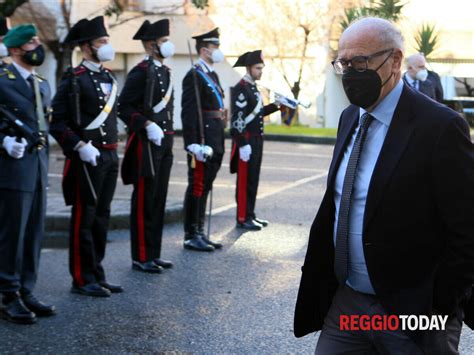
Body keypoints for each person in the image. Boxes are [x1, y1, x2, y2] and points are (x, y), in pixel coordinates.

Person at [294, 17, 473, 354]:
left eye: (360, 61)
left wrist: (439, 303)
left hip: (414, 313)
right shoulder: (350, 117)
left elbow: (467, 229)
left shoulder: (440, 127)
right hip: (347, 303)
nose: (350, 72)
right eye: (343, 62)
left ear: (395, 60)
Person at [50, 16, 122, 297]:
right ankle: (81, 278)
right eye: (102, 42)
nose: (107, 46)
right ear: (87, 47)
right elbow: (57, 123)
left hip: (109, 157)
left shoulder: (108, 77)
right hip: (87, 158)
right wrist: (79, 146)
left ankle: (97, 272)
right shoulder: (74, 79)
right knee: (85, 217)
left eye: (107, 41)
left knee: (102, 216)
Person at [0, 24, 55, 324]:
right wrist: (4, 141)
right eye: (31, 42)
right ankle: (8, 293)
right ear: (16, 49)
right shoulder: (2, 81)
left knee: (34, 231)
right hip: (12, 167)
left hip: (38, 165)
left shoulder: (42, 83)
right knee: (13, 233)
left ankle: (26, 288)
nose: (37, 46)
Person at [118, 19, 175, 273]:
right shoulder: (140, 71)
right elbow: (124, 107)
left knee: (159, 199)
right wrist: (145, 124)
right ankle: (141, 255)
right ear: (151, 45)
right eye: (163, 42)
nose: (167, 45)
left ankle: (154, 252)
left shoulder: (164, 71)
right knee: (144, 200)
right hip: (146, 144)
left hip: (164, 143)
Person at [180, 28, 226, 252]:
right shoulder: (194, 75)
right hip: (203, 139)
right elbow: (189, 111)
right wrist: (193, 142)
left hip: (215, 137)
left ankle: (199, 229)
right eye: (215, 47)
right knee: (197, 185)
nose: (218, 51)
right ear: (204, 49)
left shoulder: (212, 74)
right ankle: (191, 233)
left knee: (206, 184)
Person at [230, 50, 279, 230]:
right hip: (247, 141)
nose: (261, 71)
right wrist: (242, 144)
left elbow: (257, 114)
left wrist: (276, 106)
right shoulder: (241, 88)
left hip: (257, 140)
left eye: (262, 68)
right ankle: (242, 217)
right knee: (244, 180)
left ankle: (250, 214)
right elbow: (238, 120)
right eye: (258, 68)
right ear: (249, 68)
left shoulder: (252, 87)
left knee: (253, 179)